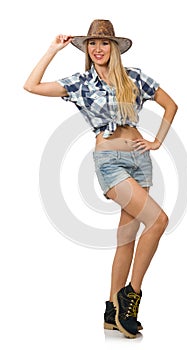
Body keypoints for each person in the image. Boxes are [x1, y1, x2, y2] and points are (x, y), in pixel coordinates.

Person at [24, 19, 178, 339]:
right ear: (86, 49)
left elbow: (170, 105)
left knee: (127, 238)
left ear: (115, 47)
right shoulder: (81, 83)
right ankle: (130, 296)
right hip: (109, 161)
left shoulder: (133, 77)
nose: (97, 49)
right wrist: (53, 49)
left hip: (140, 160)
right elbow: (31, 85)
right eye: (92, 44)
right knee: (158, 220)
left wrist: (158, 141)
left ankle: (111, 311)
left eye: (104, 43)